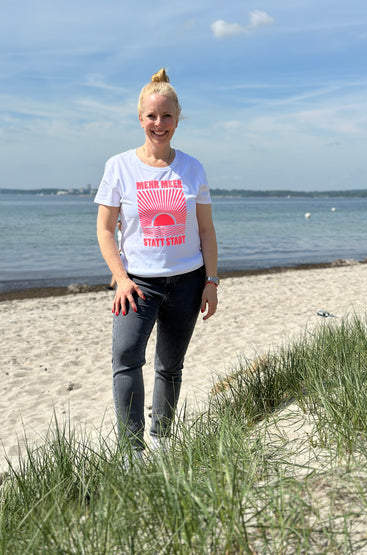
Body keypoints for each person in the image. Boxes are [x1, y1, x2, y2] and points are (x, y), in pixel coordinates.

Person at [94, 68, 218, 455]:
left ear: (177, 120)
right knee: (127, 359)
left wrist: (211, 281)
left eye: (166, 116)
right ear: (140, 118)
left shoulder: (193, 168)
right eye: (152, 116)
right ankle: (132, 451)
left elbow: (207, 231)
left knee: (169, 366)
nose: (159, 123)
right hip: (137, 284)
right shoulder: (119, 166)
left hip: (188, 281)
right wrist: (121, 278)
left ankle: (162, 442)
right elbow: (104, 230)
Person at [109, 220, 122, 289]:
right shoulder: (119, 233)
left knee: (117, 269)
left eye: (119, 226)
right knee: (115, 269)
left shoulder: (126, 233)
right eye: (118, 226)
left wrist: (120, 250)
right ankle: (112, 285)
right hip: (120, 252)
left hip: (123, 253)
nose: (119, 228)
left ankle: (113, 285)